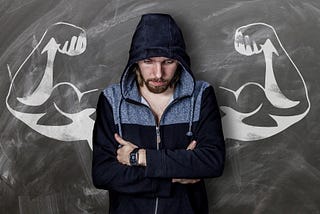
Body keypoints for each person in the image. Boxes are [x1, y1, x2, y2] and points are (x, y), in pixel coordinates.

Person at [92, 13, 225, 214]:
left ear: (180, 61)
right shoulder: (112, 99)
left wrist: (140, 157)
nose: (158, 74)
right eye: (148, 61)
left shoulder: (201, 96)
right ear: (135, 61)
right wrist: (172, 178)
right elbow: (103, 174)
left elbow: (212, 162)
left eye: (168, 62)